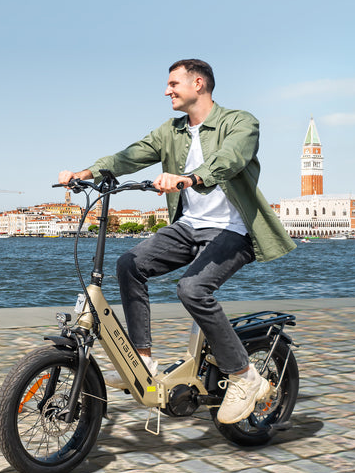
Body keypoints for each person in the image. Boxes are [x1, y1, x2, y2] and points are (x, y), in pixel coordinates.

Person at [59, 59, 296, 424]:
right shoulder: (172, 131)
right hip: (189, 227)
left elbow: (230, 159)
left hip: (232, 230)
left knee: (192, 289)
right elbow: (129, 155)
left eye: (173, 83)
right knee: (129, 265)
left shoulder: (241, 122)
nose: (167, 90)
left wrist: (189, 179)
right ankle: (144, 359)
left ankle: (245, 376)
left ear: (198, 83)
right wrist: (84, 173)